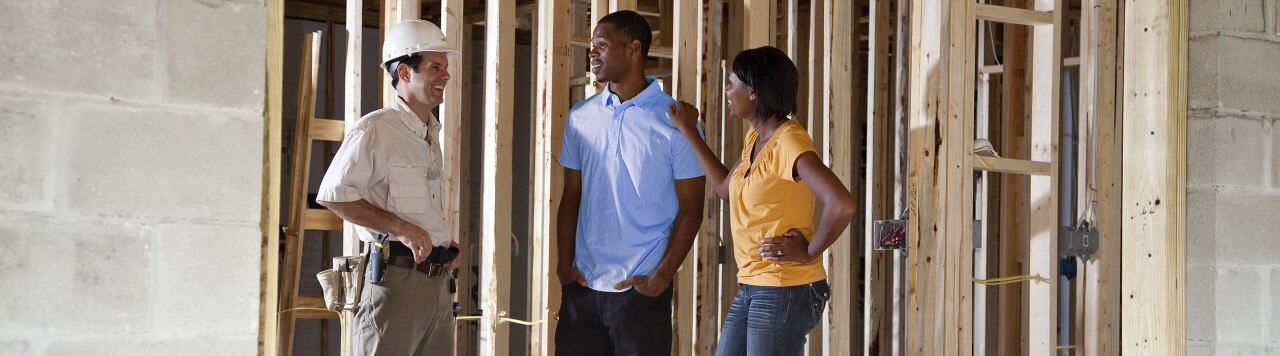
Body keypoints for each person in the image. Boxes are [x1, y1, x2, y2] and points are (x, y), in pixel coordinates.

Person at [668, 46, 855, 355]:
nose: (727, 91)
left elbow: (841, 204)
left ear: (753, 91)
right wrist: (690, 131)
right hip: (754, 285)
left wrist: (810, 251)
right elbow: (726, 189)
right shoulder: (756, 138)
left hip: (785, 286)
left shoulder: (789, 140)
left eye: (732, 84)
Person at [554, 10, 706, 356]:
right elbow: (571, 196)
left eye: (602, 45)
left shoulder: (675, 123)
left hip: (640, 292)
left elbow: (693, 209)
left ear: (634, 49)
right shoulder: (580, 117)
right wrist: (564, 264)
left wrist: (662, 277)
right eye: (591, 46)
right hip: (583, 289)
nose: (592, 53)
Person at [315, 19, 463, 355]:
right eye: (435, 67)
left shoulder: (429, 132)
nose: (446, 75)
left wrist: (439, 238)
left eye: (446, 67)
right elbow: (334, 195)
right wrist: (402, 229)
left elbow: (411, 202)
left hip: (438, 285)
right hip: (397, 283)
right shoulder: (376, 130)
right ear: (405, 72)